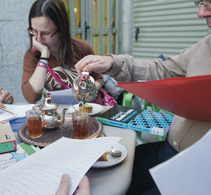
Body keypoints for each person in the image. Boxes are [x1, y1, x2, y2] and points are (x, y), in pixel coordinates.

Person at [75, 1, 211, 194]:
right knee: (119, 172)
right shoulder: (204, 47)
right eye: (200, 2)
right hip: (169, 149)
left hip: (201, 173)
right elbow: (162, 69)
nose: (201, 12)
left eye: (209, 4)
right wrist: (112, 63)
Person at [21, 0, 103, 104]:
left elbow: (98, 79)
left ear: (61, 29)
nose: (38, 39)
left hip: (88, 110)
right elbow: (31, 98)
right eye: (34, 31)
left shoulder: (82, 48)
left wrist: (87, 92)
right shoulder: (32, 56)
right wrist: (44, 56)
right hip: (60, 114)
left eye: (45, 33)